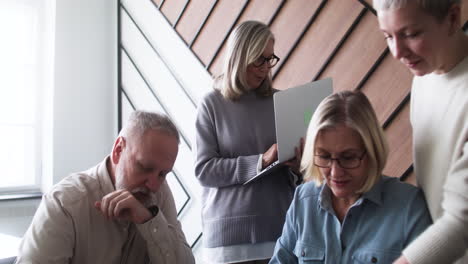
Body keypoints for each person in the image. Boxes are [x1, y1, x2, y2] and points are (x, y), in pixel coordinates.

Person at [269, 91, 432, 263]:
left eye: (348, 158)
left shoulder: (409, 207)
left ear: (372, 151)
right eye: (324, 156)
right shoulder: (303, 201)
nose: (335, 173)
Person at [16, 111, 195, 264]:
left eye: (163, 174)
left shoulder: (160, 195)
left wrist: (149, 221)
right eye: (145, 167)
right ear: (118, 150)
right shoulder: (65, 203)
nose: (154, 185)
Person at [194, 20, 300, 264]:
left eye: (270, 59)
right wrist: (261, 161)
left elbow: (301, 176)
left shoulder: (281, 101)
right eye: (258, 60)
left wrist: (298, 166)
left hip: (281, 231)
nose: (265, 68)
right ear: (239, 56)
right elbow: (204, 170)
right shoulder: (211, 104)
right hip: (229, 243)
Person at [375, 0, 468, 263]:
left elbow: (460, 224)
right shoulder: (423, 77)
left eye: (411, 34)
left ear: (452, 17)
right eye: (388, 37)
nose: (396, 52)